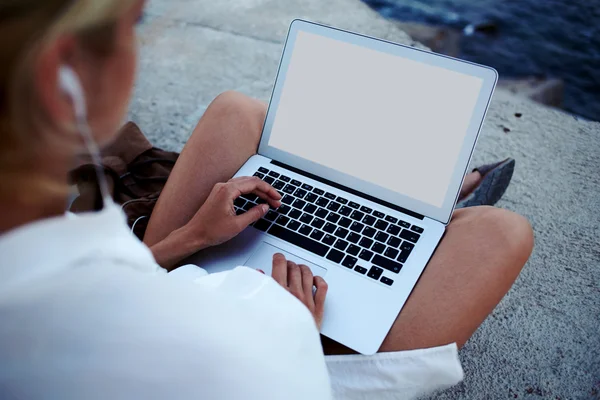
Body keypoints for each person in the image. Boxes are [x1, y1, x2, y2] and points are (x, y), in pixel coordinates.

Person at [0, 1, 534, 399]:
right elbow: (273, 377)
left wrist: (190, 239)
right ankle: (439, 198)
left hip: (193, 298)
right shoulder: (243, 358)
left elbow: (94, 294)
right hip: (294, 365)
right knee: (504, 232)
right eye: (133, 25)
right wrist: (288, 322)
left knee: (239, 111)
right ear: (60, 77)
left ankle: (427, 197)